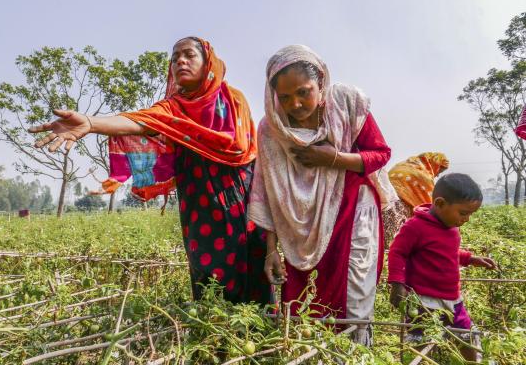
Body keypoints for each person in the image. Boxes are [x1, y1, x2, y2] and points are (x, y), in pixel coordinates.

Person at [29, 37, 273, 304]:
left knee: (254, 270)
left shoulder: (233, 100)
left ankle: (261, 340)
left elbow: (250, 151)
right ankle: (215, 341)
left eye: (189, 55)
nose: (180, 60)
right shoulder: (172, 108)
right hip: (202, 208)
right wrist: (90, 122)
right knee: (211, 279)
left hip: (245, 201)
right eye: (175, 57)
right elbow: (136, 122)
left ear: (208, 63)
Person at [248, 45, 393, 345]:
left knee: (350, 298)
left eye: (304, 92)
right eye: (285, 97)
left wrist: (333, 159)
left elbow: (379, 154)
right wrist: (271, 250)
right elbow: (267, 191)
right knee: (303, 309)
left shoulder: (345, 104)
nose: (296, 104)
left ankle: (355, 354)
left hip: (352, 214)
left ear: (321, 83)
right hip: (296, 229)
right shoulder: (271, 129)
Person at [388, 173, 497, 362]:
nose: (467, 219)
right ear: (439, 203)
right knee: (419, 343)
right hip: (423, 301)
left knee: (467, 338)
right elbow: (397, 253)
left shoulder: (452, 228)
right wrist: (397, 285)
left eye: (471, 214)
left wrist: (471, 258)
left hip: (453, 300)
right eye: (463, 213)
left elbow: (448, 253)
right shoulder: (415, 227)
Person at [384, 152, 449, 245]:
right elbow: (430, 206)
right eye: (439, 171)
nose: (437, 175)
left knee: (385, 237)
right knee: (396, 242)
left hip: (382, 204)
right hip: (400, 209)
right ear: (434, 165)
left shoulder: (402, 165)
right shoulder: (423, 176)